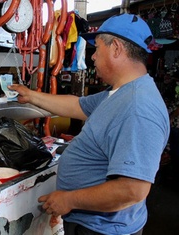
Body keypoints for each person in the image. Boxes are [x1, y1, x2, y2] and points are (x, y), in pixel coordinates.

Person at [9, 14, 170, 235]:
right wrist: (31, 96)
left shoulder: (137, 108)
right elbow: (78, 106)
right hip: (94, 225)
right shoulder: (119, 93)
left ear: (115, 48)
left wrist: (69, 199)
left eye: (97, 48)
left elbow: (132, 190)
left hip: (104, 230)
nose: (93, 56)